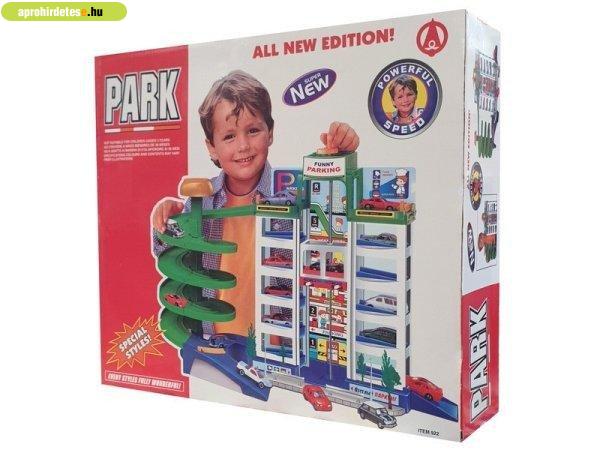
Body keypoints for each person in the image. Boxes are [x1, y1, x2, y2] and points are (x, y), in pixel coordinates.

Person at [151, 70, 359, 336]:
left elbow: (332, 227)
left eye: (253, 130)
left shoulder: (291, 197)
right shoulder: (202, 202)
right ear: (211, 147)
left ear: (270, 133)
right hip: (216, 336)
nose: (243, 145)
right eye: (229, 136)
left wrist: (342, 154)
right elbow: (171, 255)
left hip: (278, 339)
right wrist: (165, 217)